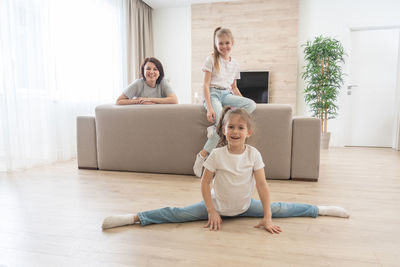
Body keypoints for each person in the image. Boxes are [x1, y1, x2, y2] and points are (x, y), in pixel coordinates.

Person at [102, 107, 350, 233]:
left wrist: (267, 216)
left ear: (248, 133)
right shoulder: (217, 155)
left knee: (282, 208)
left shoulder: (254, 154)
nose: (235, 131)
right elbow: (204, 183)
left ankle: (321, 209)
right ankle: (134, 218)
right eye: (231, 127)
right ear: (223, 130)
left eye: (241, 128)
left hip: (244, 207)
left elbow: (262, 186)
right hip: (218, 207)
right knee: (176, 213)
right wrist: (211, 210)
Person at [193, 27, 256, 178]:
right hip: (213, 94)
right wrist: (209, 107)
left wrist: (241, 103)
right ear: (216, 44)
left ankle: (214, 127)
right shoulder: (211, 60)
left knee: (251, 104)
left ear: (232, 43)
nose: (224, 46)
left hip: (227, 95)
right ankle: (202, 155)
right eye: (220, 43)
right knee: (222, 123)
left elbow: (234, 87)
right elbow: (206, 85)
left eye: (227, 43)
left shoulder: (235, 64)